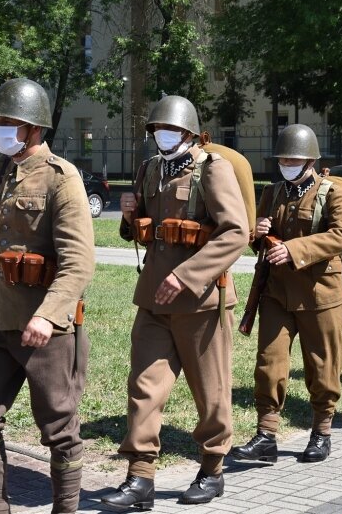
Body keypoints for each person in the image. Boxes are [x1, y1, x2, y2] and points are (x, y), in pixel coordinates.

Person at [100, 95, 249, 509]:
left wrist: (186, 276)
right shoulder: (151, 169)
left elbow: (236, 232)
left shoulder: (212, 169)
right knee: (144, 388)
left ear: (188, 132)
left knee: (211, 392)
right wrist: (130, 217)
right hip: (154, 300)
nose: (161, 135)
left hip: (202, 301)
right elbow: (144, 231)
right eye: (155, 130)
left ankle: (213, 469)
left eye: (169, 129)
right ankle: (141, 478)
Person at [0, 77, 95, 514]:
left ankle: (65, 510)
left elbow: (79, 262)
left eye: (7, 121)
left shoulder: (61, 177)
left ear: (34, 129)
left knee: (59, 429)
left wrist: (49, 316)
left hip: (44, 328)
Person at [230, 124, 342, 464]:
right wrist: (258, 233)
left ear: (310, 160)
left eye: (294, 158)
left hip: (320, 293)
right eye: (283, 157)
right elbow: (259, 238)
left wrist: (296, 249)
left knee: (322, 366)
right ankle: (266, 435)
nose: (286, 162)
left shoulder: (333, 193)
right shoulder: (272, 192)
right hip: (276, 292)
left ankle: (321, 431)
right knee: (269, 364)